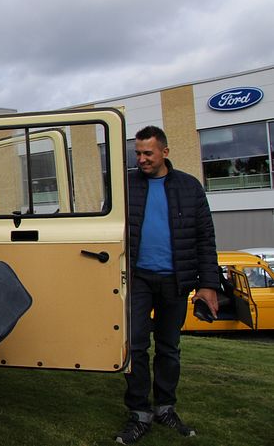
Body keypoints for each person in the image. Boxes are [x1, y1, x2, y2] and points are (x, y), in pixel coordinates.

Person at [115, 126, 219, 444]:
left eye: (148, 153)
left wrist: (209, 284)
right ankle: (139, 413)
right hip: (138, 279)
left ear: (165, 152)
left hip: (176, 280)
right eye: (138, 153)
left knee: (169, 348)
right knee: (134, 346)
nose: (142, 159)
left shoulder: (189, 187)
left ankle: (165, 407)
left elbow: (205, 239)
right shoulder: (126, 186)